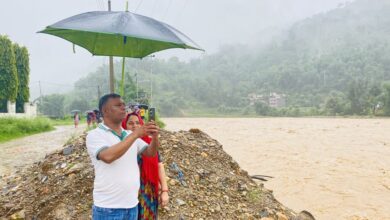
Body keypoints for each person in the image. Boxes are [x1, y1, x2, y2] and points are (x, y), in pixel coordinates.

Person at [86, 93, 159, 220]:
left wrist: (155, 137)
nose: (123, 107)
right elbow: (108, 156)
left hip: (132, 205)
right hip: (108, 208)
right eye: (118, 105)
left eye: (124, 105)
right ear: (106, 111)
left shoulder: (129, 134)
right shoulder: (95, 135)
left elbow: (150, 153)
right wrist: (135, 135)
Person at [122, 112, 169, 220]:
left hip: (148, 193)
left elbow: (159, 165)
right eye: (130, 123)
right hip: (128, 193)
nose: (135, 126)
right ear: (125, 125)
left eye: (138, 123)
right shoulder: (121, 145)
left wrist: (164, 191)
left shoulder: (148, 143)